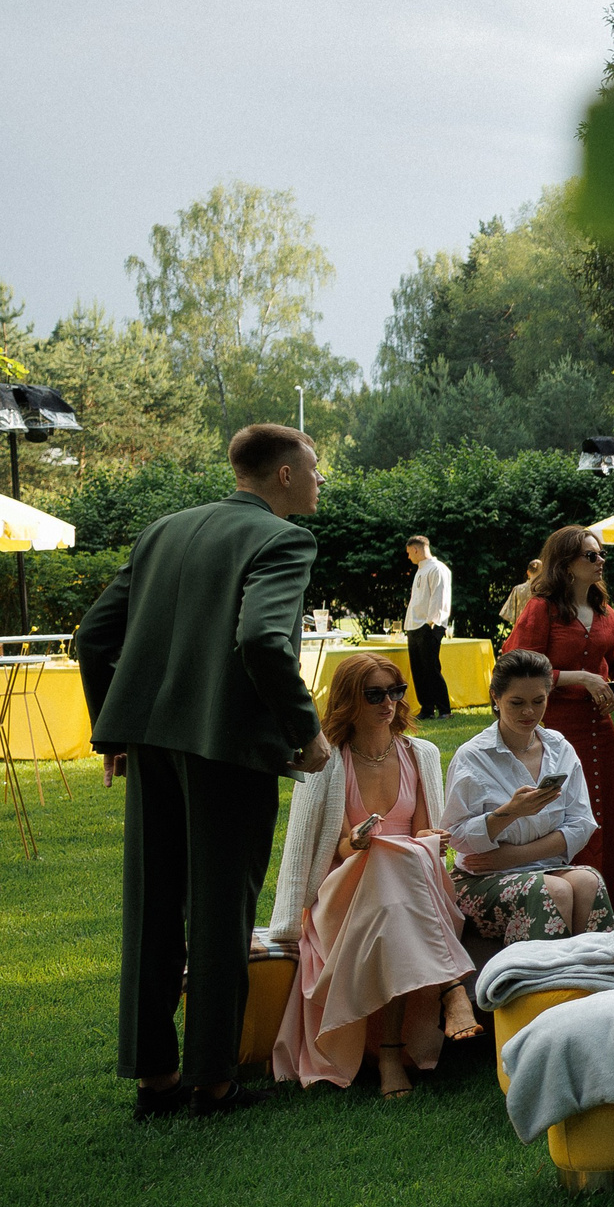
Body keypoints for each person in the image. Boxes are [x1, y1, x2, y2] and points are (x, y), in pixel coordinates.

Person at [79, 422, 331, 1119]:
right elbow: (260, 639)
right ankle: (214, 1080)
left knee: (152, 904)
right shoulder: (284, 539)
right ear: (282, 474)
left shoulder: (164, 530)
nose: (318, 481)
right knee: (221, 913)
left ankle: (155, 1079)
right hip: (226, 751)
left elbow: (92, 638)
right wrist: (304, 731)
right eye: (312, 468)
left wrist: (115, 732)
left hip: (153, 745)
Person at [268, 654, 476, 1097]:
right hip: (347, 888)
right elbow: (328, 849)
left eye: (396, 692)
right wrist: (361, 842)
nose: (389, 703)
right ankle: (451, 989)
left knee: (397, 866)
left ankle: (390, 1050)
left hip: (410, 884)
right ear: (349, 701)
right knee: (385, 858)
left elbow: (426, 835)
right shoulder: (328, 761)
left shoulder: (420, 754)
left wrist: (428, 839)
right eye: (375, 694)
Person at [502, 525, 614, 915]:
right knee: (561, 808)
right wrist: (578, 677)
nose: (600, 562)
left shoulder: (604, 611)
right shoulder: (540, 609)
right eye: (590, 556)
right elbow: (516, 666)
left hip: (600, 730)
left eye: (601, 555)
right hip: (554, 729)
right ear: (566, 564)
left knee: (606, 813)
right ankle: (564, 903)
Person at [445, 650, 614, 946]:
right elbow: (456, 837)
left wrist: (515, 855)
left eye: (538, 701)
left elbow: (582, 824)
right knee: (554, 891)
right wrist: (509, 812)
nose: (529, 713)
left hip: (540, 868)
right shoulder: (473, 757)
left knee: (588, 881)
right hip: (479, 881)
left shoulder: (560, 749)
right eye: (517, 703)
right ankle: (540, 984)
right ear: (495, 698)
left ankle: (594, 973)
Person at [401, 535, 454, 720]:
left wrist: (431, 624)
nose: (408, 557)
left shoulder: (437, 569)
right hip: (415, 625)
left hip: (428, 625)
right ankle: (427, 708)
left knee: (431, 668)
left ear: (416, 549)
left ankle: (444, 710)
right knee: (419, 669)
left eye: (409, 553)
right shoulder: (421, 570)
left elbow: (438, 598)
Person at [498, 559, 540, 630]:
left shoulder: (517, 589)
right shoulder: (545, 590)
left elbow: (508, 615)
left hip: (520, 633)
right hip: (539, 633)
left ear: (528, 573)